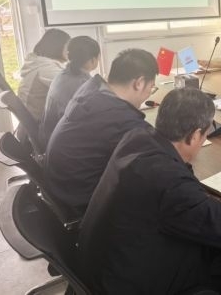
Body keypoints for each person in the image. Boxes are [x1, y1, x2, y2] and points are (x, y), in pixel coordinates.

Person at [78, 87, 221, 295]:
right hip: (135, 283)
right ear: (195, 135)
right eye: (206, 133)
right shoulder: (170, 185)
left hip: (107, 269)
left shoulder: (137, 137)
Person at [44, 48, 158, 217]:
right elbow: (159, 162)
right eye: (151, 87)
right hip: (85, 204)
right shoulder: (119, 118)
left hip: (63, 190)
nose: (149, 93)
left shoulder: (91, 89)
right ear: (139, 83)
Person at [40, 36, 101, 145]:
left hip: (52, 138)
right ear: (93, 60)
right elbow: (96, 119)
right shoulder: (84, 85)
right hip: (66, 143)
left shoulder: (62, 75)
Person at [17, 28, 71, 122]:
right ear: (57, 47)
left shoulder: (39, 63)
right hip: (42, 122)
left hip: (35, 119)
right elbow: (73, 88)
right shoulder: (46, 69)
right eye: (68, 46)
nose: (70, 51)